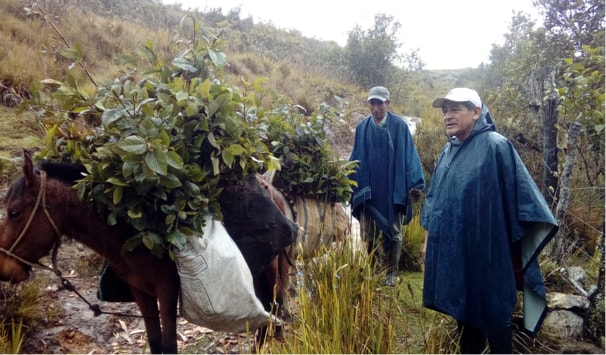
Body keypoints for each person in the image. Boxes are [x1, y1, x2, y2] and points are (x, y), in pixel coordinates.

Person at [421, 88, 558, 353]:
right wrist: (428, 240)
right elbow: (434, 199)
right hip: (457, 252)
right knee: (465, 315)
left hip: (490, 255)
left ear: (476, 112)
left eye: (455, 109)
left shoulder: (496, 146)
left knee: (495, 317)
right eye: (444, 110)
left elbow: (523, 198)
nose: (447, 116)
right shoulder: (447, 152)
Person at [349, 86, 425, 287]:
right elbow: (355, 158)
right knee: (367, 232)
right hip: (368, 190)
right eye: (372, 103)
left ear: (388, 103)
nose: (376, 108)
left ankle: (392, 272)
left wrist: (414, 183)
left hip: (392, 189)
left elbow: (409, 154)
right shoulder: (362, 128)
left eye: (380, 103)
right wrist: (349, 182)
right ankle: (374, 270)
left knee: (394, 231)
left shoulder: (399, 126)